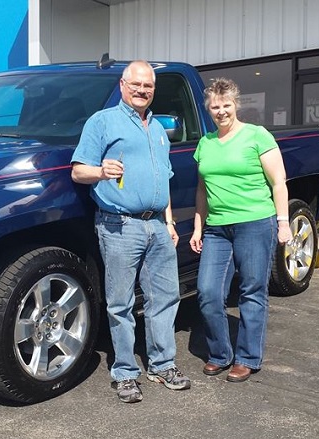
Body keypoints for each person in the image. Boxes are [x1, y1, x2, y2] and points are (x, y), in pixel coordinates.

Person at [71, 60, 191, 403]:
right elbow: (78, 172)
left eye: (148, 86)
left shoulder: (157, 129)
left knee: (165, 298)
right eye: (136, 84)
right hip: (119, 225)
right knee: (120, 303)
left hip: (156, 224)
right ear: (123, 85)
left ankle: (163, 365)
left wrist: (168, 222)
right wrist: (100, 170)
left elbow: (163, 181)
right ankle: (125, 372)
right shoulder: (102, 121)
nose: (142, 90)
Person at [189, 78, 293, 382]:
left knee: (251, 290)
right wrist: (198, 226)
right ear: (208, 109)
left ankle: (247, 357)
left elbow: (278, 182)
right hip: (217, 228)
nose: (221, 111)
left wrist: (283, 222)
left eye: (226, 105)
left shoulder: (257, 136)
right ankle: (220, 353)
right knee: (208, 292)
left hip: (255, 223)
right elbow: (201, 189)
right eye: (215, 107)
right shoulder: (205, 143)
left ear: (236, 105)